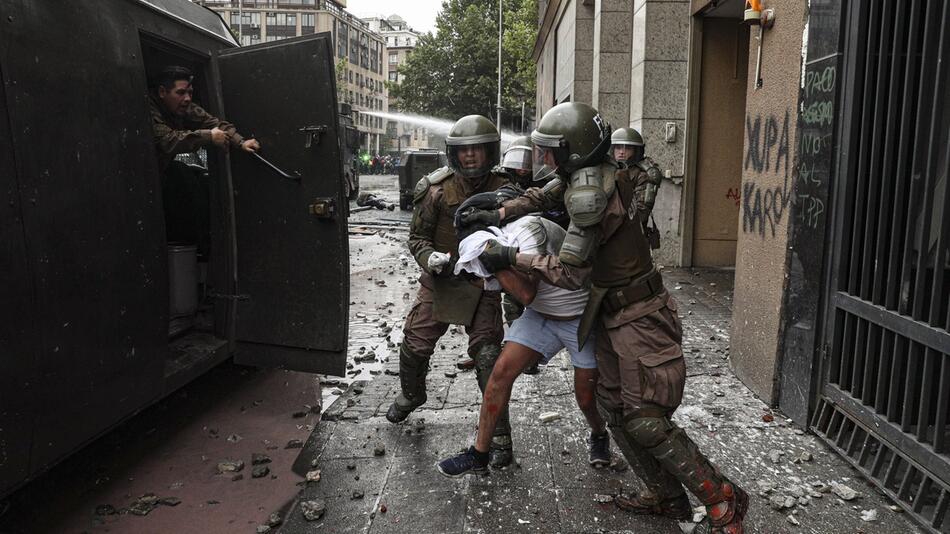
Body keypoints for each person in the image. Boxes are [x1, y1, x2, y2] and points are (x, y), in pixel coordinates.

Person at [459, 103, 748, 533]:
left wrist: (510, 255)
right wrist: (500, 213)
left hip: (640, 316)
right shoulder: (592, 171)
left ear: (573, 152)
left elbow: (571, 275)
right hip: (615, 312)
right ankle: (666, 497)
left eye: (551, 150)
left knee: (645, 418)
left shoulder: (590, 195)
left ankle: (721, 499)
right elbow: (545, 192)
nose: (545, 159)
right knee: (615, 408)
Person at [435, 208, 611, 477]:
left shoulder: (528, 231)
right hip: (541, 316)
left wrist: (495, 263)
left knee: (586, 398)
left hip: (579, 320)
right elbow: (492, 285)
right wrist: (454, 272)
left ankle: (599, 433)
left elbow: (526, 292)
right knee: (499, 375)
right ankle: (479, 454)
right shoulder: (498, 245)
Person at [385, 115, 516, 467]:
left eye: (477, 149)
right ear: (453, 154)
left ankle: (499, 432)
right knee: (414, 343)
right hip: (441, 281)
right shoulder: (436, 190)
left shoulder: (507, 189)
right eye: (464, 150)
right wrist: (430, 259)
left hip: (484, 285)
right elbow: (417, 237)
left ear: (490, 151)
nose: (471, 156)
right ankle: (412, 395)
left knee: (489, 356)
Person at [149, 66, 259, 172]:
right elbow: (166, 141)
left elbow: (211, 123)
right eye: (181, 93)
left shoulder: (184, 106)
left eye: (190, 93)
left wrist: (241, 142)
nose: (187, 99)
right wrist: (209, 136)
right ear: (162, 92)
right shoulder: (148, 108)